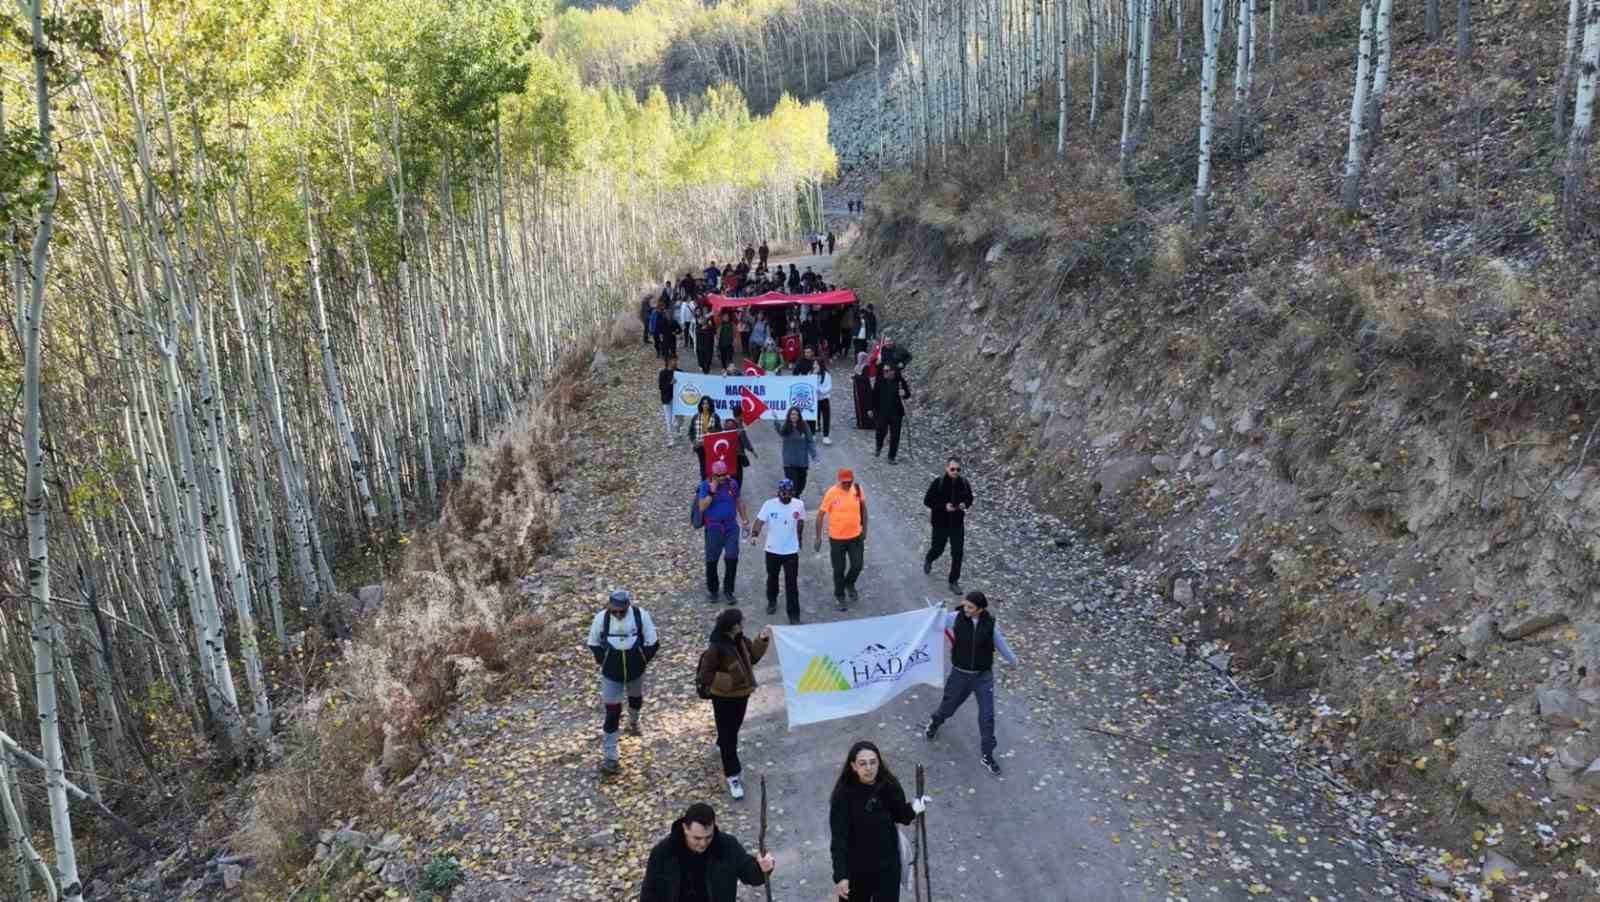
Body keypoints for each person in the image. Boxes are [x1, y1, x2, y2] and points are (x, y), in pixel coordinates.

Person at [924, 591, 1017, 776]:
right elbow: (934, 624)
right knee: (948, 707)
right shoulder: (956, 618)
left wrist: (1013, 660)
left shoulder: (989, 624)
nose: (965, 609)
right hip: (960, 675)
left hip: (983, 677)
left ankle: (987, 755)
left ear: (980, 609)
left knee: (987, 717)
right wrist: (936, 611)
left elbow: (1000, 643)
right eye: (965, 605)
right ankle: (935, 723)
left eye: (970, 607)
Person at [828, 741, 930, 902]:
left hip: (887, 866)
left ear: (878, 763)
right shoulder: (843, 796)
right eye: (863, 763)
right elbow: (839, 839)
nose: (869, 768)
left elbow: (900, 815)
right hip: (857, 869)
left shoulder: (888, 786)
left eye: (873, 762)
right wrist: (841, 876)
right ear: (853, 766)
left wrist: (914, 808)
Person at [696, 609, 772, 798]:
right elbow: (705, 675)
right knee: (729, 737)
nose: (742, 624)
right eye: (740, 622)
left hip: (741, 696)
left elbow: (752, 658)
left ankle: (722, 743)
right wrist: (729, 682)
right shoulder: (716, 648)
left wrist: (761, 640)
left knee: (733, 728)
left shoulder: (740, 640)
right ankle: (733, 776)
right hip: (723, 699)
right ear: (732, 626)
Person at [585, 590, 660, 774]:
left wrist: (641, 659)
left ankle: (634, 722)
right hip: (611, 674)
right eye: (614, 611)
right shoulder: (601, 619)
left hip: (636, 671)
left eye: (622, 611)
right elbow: (593, 643)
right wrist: (605, 661)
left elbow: (653, 642)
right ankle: (611, 757)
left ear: (628, 606)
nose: (618, 614)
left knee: (635, 699)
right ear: (609, 607)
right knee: (612, 713)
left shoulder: (640, 615)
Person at [640, 802, 775, 902]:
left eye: (708, 837)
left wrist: (762, 867)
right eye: (697, 838)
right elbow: (649, 892)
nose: (703, 843)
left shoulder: (727, 846)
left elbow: (750, 874)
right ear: (685, 828)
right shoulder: (663, 852)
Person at [749, 478, 805, 623]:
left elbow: (800, 521)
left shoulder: (799, 505)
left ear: (793, 492)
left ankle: (794, 615)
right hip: (772, 550)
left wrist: (799, 537)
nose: (786, 496)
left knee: (791, 584)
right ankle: (772, 600)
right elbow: (759, 522)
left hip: (791, 551)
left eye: (789, 493)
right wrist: (755, 535)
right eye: (784, 493)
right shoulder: (769, 505)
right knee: (772, 578)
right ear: (779, 492)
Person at [814, 469, 866, 611]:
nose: (847, 484)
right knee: (839, 569)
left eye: (849, 481)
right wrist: (818, 537)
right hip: (837, 539)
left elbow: (863, 509)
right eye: (844, 482)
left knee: (858, 565)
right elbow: (820, 515)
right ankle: (840, 596)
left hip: (855, 536)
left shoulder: (857, 489)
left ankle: (849, 583)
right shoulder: (831, 493)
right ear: (839, 480)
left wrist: (864, 530)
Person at [697, 460, 748, 603]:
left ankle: (728, 590)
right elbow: (702, 506)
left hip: (731, 526)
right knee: (712, 560)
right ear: (713, 475)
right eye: (719, 476)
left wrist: (745, 520)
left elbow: (739, 501)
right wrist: (712, 493)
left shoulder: (732, 484)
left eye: (724, 474)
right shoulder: (705, 486)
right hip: (713, 528)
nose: (722, 478)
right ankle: (713, 590)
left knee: (732, 558)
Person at [922, 457, 975, 593]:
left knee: (957, 553)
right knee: (938, 548)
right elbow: (927, 501)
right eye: (952, 469)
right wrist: (943, 506)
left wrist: (965, 504)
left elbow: (970, 498)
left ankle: (953, 581)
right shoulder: (938, 483)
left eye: (958, 469)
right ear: (947, 468)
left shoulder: (964, 483)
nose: (955, 472)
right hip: (940, 523)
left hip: (957, 524)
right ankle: (929, 558)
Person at [774, 407, 818, 497]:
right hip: (789, 463)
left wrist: (814, 455)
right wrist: (775, 420)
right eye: (792, 414)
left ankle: (797, 496)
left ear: (799, 416)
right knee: (793, 484)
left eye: (796, 414)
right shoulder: (786, 427)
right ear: (789, 416)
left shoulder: (804, 425)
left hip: (802, 462)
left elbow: (810, 441)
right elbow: (780, 431)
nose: (794, 416)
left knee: (802, 484)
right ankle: (794, 500)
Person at [872, 363, 911, 464]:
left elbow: (907, 394)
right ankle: (878, 446)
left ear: (893, 371)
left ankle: (891, 457)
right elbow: (874, 395)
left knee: (895, 435)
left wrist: (904, 393)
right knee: (881, 431)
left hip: (896, 413)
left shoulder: (900, 382)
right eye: (884, 371)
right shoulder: (880, 380)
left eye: (887, 371)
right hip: (882, 412)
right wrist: (871, 409)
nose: (884, 372)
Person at [688, 397, 720, 478]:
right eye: (703, 403)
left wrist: (712, 431)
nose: (705, 405)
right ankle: (704, 482)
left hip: (712, 446)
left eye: (707, 403)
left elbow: (720, 430)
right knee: (702, 464)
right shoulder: (696, 417)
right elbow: (691, 431)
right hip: (699, 446)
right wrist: (694, 441)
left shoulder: (715, 416)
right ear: (701, 405)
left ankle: (713, 481)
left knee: (712, 463)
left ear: (710, 405)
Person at [659, 355, 679, 447]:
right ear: (669, 361)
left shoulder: (680, 372)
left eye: (676, 360)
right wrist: (670, 383)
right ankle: (671, 439)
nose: (675, 362)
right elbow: (661, 387)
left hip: (678, 400)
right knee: (668, 420)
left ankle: (677, 430)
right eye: (674, 360)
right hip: (667, 400)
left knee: (678, 419)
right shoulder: (663, 373)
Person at [816, 357, 834, 445]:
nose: (814, 366)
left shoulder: (827, 375)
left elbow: (829, 388)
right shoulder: (811, 374)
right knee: (814, 417)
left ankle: (826, 436)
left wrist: (819, 390)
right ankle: (812, 433)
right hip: (815, 400)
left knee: (826, 417)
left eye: (816, 364)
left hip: (824, 399)